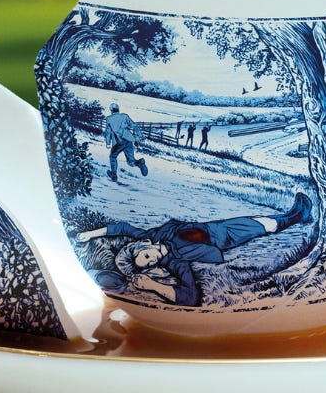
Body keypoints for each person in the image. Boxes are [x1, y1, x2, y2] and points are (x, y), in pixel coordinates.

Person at [75, 193, 313, 306]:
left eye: (146, 256)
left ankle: (293, 214)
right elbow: (190, 297)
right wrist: (154, 286)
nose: (152, 260)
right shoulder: (175, 262)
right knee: (260, 226)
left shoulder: (150, 236)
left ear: (142, 246)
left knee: (256, 220)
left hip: (212, 226)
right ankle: (296, 216)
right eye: (149, 264)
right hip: (222, 238)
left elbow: (122, 227)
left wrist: (90, 234)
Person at [103, 102, 148, 182]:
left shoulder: (109, 119)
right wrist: (140, 136)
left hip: (119, 142)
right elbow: (135, 126)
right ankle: (139, 163)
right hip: (128, 141)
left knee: (112, 157)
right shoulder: (125, 116)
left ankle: (114, 174)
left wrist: (108, 143)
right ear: (118, 109)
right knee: (130, 161)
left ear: (111, 110)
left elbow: (108, 132)